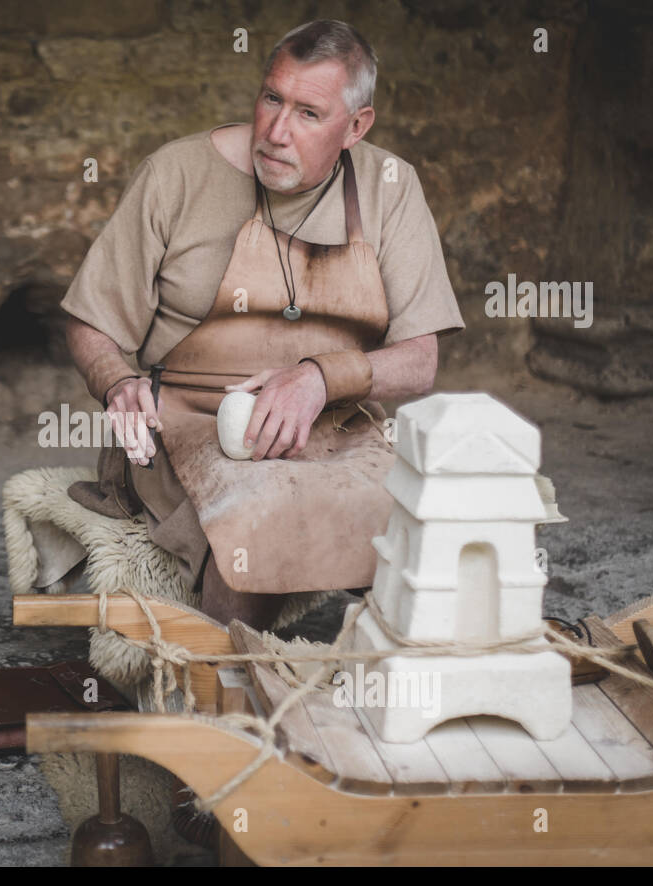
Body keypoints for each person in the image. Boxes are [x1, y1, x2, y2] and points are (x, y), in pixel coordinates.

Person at [63, 19, 465, 633]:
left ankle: (403, 704)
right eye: (272, 98)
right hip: (186, 419)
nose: (276, 133)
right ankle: (224, 696)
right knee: (254, 516)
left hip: (331, 417)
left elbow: (419, 360)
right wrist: (117, 381)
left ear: (356, 127)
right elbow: (91, 321)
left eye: (309, 113)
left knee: (431, 525)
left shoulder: (391, 187)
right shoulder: (175, 175)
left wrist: (320, 380)